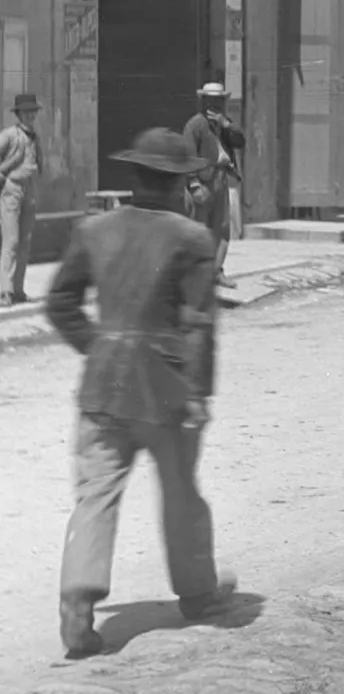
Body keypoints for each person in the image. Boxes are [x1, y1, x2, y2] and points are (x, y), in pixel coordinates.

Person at [45, 127, 236, 659]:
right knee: (181, 494)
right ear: (178, 183)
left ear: (135, 177)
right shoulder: (192, 240)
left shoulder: (93, 229)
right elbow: (198, 322)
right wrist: (198, 392)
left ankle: (78, 608)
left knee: (95, 497)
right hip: (167, 392)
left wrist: (101, 347)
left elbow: (59, 304)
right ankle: (198, 593)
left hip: (103, 390)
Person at [183, 83, 244, 291]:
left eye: (219, 101)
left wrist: (226, 124)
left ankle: (217, 271)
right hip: (203, 180)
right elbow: (188, 156)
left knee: (222, 228)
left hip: (221, 178)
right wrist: (194, 184)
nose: (215, 105)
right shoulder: (195, 125)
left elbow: (240, 140)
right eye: (211, 101)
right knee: (200, 228)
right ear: (204, 102)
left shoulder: (224, 125)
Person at [0, 91, 43, 307]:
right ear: (18, 114)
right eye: (26, 112)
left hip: (30, 190)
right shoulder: (8, 135)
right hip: (12, 189)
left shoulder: (35, 135)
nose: (30, 115)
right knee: (11, 241)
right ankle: (4, 291)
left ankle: (18, 290)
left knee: (25, 242)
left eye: (33, 111)